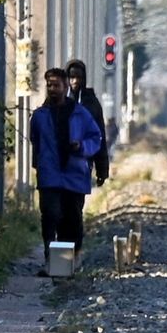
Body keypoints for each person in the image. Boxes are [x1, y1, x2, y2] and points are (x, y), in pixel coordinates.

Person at [30, 67, 103, 276]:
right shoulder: (40, 116)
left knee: (72, 219)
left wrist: (82, 147)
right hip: (50, 175)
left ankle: (70, 260)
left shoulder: (80, 114)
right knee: (51, 215)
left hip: (74, 175)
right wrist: (40, 164)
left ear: (65, 87)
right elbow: (35, 140)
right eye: (49, 85)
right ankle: (51, 260)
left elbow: (95, 138)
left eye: (56, 85)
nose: (52, 89)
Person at [63, 58, 110, 187]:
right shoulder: (58, 101)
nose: (75, 81)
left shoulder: (92, 104)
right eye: (72, 77)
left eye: (79, 77)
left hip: (82, 163)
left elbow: (100, 136)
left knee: (76, 205)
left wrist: (102, 169)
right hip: (60, 166)